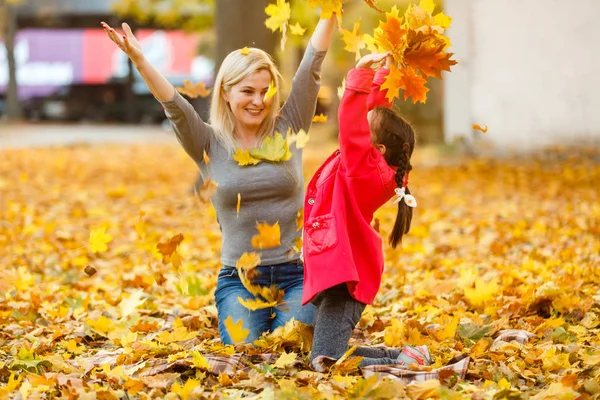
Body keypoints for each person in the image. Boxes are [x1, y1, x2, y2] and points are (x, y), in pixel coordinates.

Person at [100, 15, 336, 344]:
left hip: (297, 274)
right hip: (238, 280)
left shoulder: (290, 126)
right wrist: (139, 59)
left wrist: (329, 10)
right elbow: (173, 104)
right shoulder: (207, 143)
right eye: (248, 91)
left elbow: (311, 64)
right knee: (244, 356)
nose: (258, 101)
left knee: (292, 350)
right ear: (225, 92)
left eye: (266, 92)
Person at [302, 52, 431, 369]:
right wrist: (384, 76)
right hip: (333, 273)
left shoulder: (362, 171)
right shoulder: (372, 167)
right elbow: (373, 113)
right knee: (324, 355)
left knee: (324, 361)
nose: (364, 118)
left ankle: (401, 359)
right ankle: (400, 356)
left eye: (366, 126)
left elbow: (351, 124)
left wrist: (358, 75)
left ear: (378, 150)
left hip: (343, 283)